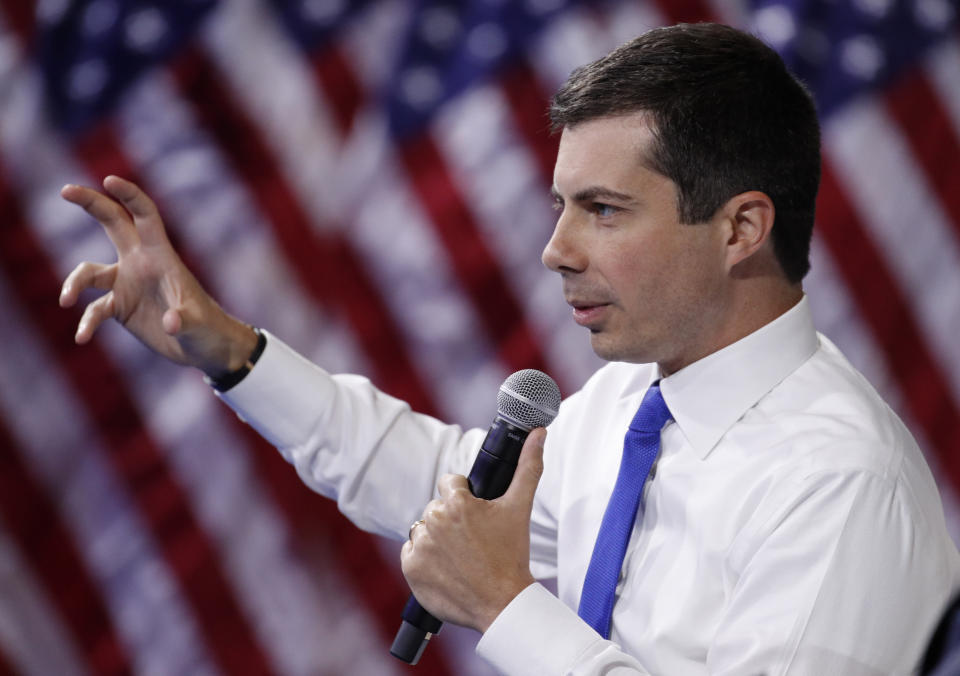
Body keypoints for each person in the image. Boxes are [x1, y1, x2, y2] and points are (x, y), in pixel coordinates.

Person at [58, 22, 959, 675]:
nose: (555, 249)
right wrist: (233, 354)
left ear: (740, 230)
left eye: (603, 210)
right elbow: (456, 495)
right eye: (561, 206)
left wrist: (506, 609)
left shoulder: (837, 485)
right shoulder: (634, 403)